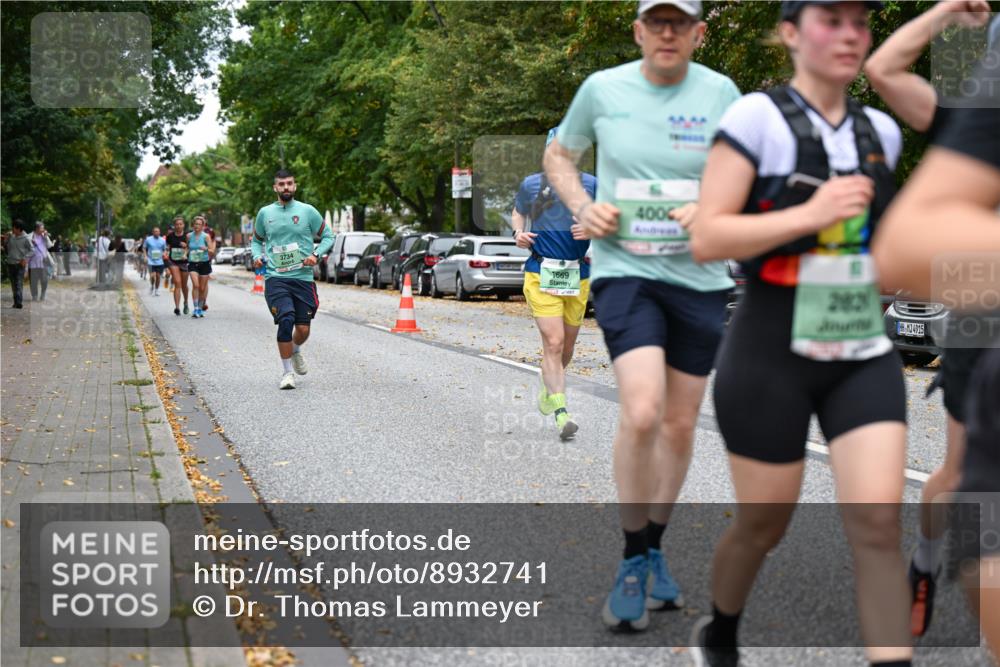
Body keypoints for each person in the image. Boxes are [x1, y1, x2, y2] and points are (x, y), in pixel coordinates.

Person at [689, 2, 913, 665]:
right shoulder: (756, 120)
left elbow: (890, 245)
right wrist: (810, 212)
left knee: (877, 523)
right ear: (790, 33)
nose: (849, 35)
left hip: (861, 346)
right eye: (830, 20)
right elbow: (708, 236)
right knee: (765, 523)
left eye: (860, 23)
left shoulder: (882, 132)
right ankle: (721, 629)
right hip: (770, 345)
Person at [544, 0, 740, 631]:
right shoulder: (603, 89)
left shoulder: (722, 93)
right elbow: (559, 156)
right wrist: (583, 202)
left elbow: (746, 169)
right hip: (627, 274)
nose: (666, 31)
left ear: (698, 32)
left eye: (679, 21)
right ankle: (632, 560)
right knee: (644, 409)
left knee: (680, 424)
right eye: (655, 20)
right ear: (637, 30)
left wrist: (715, 204)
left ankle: (655, 547)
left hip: (700, 279)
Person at [863, 0, 992, 636]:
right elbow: (884, 67)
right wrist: (943, 13)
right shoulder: (967, 120)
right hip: (986, 311)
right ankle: (926, 558)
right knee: (965, 471)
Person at [512, 128, 596, 440]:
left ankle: (550, 384)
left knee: (568, 346)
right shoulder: (532, 184)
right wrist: (517, 235)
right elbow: (518, 215)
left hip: (578, 275)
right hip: (540, 272)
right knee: (554, 342)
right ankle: (562, 413)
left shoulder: (592, 185)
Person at [251, 169, 334, 390]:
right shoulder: (265, 213)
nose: (285, 187)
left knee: (303, 329)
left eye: (289, 183)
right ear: (275, 188)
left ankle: (296, 349)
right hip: (276, 277)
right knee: (285, 319)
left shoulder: (308, 211)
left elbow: (328, 236)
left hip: (303, 278)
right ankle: (287, 373)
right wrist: (257, 256)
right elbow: (256, 241)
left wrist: (315, 255)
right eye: (281, 184)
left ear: (295, 186)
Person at [187, 215, 215, 318]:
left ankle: (200, 308)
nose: (197, 226)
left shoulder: (206, 236)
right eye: (195, 224)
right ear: (193, 225)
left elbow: (212, 251)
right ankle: (195, 309)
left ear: (203, 226)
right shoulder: (189, 236)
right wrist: (184, 252)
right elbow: (187, 248)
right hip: (193, 263)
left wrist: (206, 249)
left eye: (199, 224)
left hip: (204, 263)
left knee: (202, 288)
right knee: (196, 285)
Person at [164, 216, 190, 315]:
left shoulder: (187, 236)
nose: (179, 226)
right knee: (177, 283)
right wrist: (166, 252)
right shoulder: (170, 236)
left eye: (180, 224)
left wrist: (186, 247)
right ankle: (177, 307)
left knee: (184, 285)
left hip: (184, 262)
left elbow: (191, 247)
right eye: (177, 224)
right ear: (174, 226)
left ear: (183, 225)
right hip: (173, 261)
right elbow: (167, 247)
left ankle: (186, 302)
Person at [5, 220, 33, 308]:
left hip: (20, 263)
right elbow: (7, 247)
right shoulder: (11, 236)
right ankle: (16, 302)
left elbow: (32, 250)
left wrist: (25, 259)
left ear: (19, 229)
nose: (12, 229)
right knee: (13, 284)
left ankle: (19, 302)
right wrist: (6, 239)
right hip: (10, 263)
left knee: (18, 283)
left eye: (14, 228)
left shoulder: (26, 238)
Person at [27, 222, 53, 301]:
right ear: (37, 228)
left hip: (43, 261)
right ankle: (34, 295)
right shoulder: (29, 237)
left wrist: (45, 237)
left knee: (44, 279)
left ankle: (43, 293)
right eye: (42, 228)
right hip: (32, 262)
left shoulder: (44, 236)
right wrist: (32, 243)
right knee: (33, 281)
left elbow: (50, 246)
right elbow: (26, 248)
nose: (43, 229)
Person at [143, 227, 166, 295]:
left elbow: (165, 249)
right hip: (151, 261)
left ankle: (156, 290)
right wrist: (145, 256)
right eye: (155, 231)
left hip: (160, 261)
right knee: (152, 276)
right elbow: (144, 248)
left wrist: (164, 253)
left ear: (159, 232)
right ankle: (152, 286)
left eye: (158, 231)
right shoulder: (148, 239)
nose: (156, 232)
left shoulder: (163, 240)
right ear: (153, 232)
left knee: (158, 276)